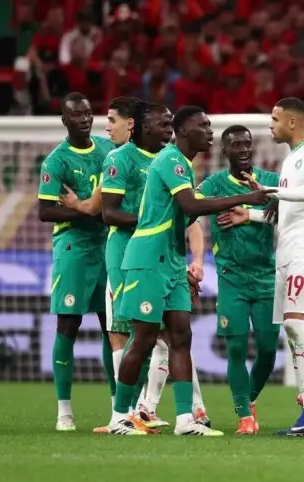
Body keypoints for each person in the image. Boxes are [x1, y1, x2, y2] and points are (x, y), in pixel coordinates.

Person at [107, 106, 269, 436]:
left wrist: (192, 262)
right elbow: (191, 207)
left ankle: (185, 420)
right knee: (143, 338)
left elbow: (187, 216)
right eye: (203, 125)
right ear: (184, 132)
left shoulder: (184, 165)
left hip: (172, 262)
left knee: (182, 336)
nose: (210, 131)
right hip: (148, 259)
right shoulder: (170, 159)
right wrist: (249, 197)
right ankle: (120, 416)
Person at [63, 102, 211, 431]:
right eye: (164, 124)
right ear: (141, 127)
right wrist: (151, 222)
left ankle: (167, 411)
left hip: (165, 252)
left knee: (172, 334)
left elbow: (187, 216)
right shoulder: (119, 159)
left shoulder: (174, 161)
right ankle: (126, 412)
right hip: (127, 251)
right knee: (127, 332)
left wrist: (191, 259)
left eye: (171, 124)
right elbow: (110, 213)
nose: (169, 130)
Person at [225, 97, 304, 436]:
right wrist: (254, 213)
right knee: (292, 328)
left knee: (295, 324)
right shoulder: (292, 159)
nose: (270, 125)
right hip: (288, 252)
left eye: (274, 119)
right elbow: (287, 211)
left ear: (291, 122)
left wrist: (269, 190)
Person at [37, 92, 116, 432]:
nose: (85, 119)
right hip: (72, 247)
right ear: (64, 121)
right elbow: (45, 211)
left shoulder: (107, 150)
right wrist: (88, 212)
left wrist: (89, 209)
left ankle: (119, 407)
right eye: (77, 115)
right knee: (68, 325)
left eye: (88, 113)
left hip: (107, 246)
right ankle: (64, 411)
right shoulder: (56, 161)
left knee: (111, 326)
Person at [196, 125, 281, 435]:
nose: (244, 149)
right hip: (231, 277)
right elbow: (190, 207)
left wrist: (259, 202)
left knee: (269, 350)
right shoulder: (214, 184)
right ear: (224, 151)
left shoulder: (270, 181)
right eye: (236, 145)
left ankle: (249, 400)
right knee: (235, 349)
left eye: (248, 144)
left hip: (266, 277)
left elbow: (286, 213)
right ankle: (244, 415)